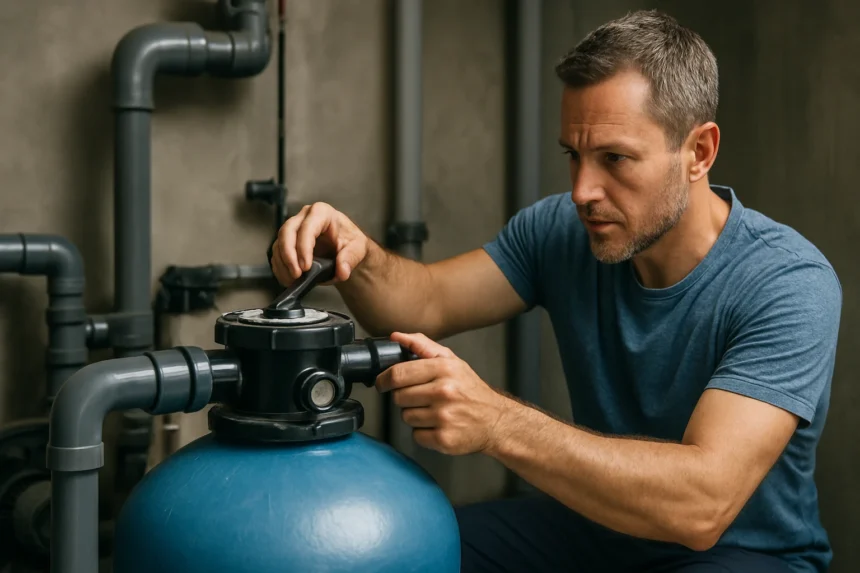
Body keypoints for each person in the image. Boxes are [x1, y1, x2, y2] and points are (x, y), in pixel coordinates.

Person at [268, 10, 841, 573]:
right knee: (410, 549)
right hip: (598, 526)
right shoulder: (563, 232)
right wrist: (357, 255)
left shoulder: (787, 284)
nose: (583, 190)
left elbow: (701, 506)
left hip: (741, 553)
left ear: (699, 152)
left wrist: (496, 422)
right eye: (574, 155)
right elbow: (424, 304)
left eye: (615, 158)